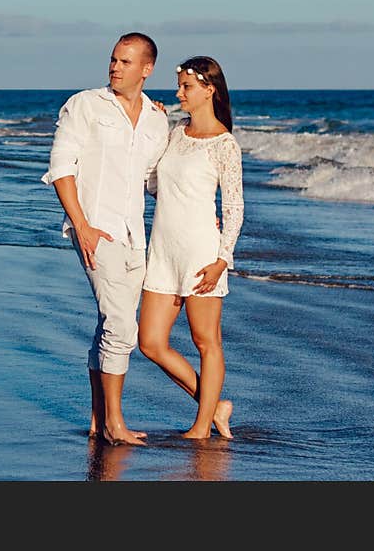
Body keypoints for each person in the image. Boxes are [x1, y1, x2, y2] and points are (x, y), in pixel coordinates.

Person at [42, 32, 169, 446]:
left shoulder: (156, 118)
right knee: (120, 326)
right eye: (113, 59)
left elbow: (153, 181)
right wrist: (81, 224)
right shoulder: (84, 105)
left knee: (107, 325)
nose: (115, 67)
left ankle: (98, 419)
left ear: (147, 69)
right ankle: (115, 422)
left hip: (135, 234)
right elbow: (61, 166)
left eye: (126, 62)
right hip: (95, 228)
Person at [138, 55, 243, 439]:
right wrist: (154, 124)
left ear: (209, 90)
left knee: (206, 341)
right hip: (163, 250)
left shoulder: (224, 145)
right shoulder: (175, 132)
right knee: (149, 342)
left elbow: (234, 206)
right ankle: (216, 407)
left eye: (187, 87)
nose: (179, 92)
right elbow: (153, 185)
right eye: (179, 85)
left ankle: (202, 426)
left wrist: (222, 260)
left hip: (202, 253)